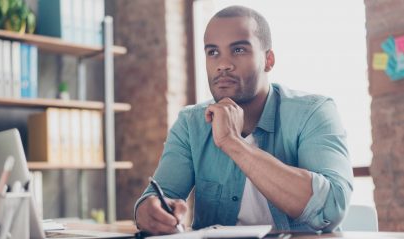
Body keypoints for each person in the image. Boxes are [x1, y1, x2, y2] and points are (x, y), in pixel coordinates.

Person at [134, 5, 353, 235]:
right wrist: (147, 212)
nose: (223, 64)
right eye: (213, 52)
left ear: (268, 60)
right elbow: (159, 196)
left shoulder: (313, 112)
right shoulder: (191, 123)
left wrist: (233, 142)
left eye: (238, 50)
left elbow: (332, 207)